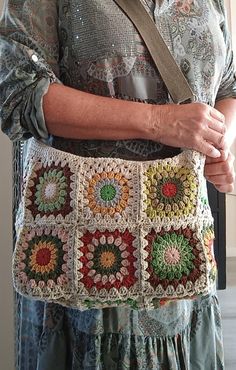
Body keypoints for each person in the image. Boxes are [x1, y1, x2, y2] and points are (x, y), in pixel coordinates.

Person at [0, 0, 236, 369]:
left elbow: (228, 82)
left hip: (182, 239)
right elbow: (18, 92)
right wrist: (160, 122)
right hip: (81, 249)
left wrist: (221, 143)